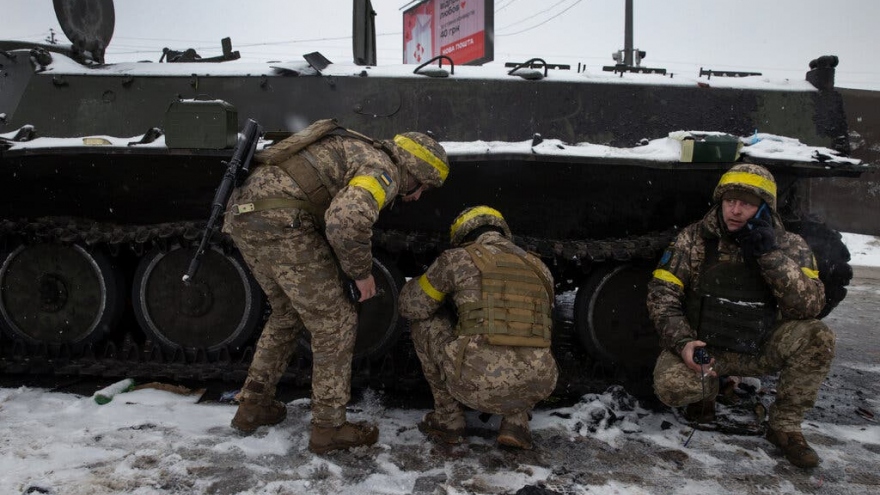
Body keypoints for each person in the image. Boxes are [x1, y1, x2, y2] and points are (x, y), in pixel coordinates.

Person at [223, 120, 449, 454]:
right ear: (413, 171)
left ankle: (253, 404)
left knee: (287, 313)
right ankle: (329, 428)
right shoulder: (382, 170)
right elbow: (346, 220)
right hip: (283, 221)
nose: (417, 195)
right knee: (335, 322)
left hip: (245, 214)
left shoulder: (362, 149)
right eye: (423, 186)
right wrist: (361, 272)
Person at [647, 163, 834, 468]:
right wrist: (683, 342)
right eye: (729, 202)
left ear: (763, 209)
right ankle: (707, 393)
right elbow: (661, 294)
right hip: (707, 349)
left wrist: (769, 256)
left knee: (818, 336)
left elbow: (808, 308)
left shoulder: (790, 246)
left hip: (758, 347)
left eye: (746, 204)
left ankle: (784, 427)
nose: (735, 210)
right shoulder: (694, 238)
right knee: (671, 386)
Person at [398, 206, 559, 450]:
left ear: (463, 236)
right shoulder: (540, 268)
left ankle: (448, 419)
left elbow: (411, 307)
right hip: (539, 384)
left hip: (474, 385)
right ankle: (516, 423)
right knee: (526, 328)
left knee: (425, 321)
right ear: (502, 231)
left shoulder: (456, 259)